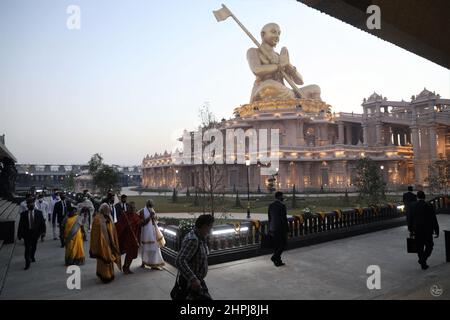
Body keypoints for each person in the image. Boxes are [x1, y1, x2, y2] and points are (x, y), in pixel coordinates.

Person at [247, 23, 321, 102]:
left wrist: (288, 65)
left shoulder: (279, 56)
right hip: (268, 90)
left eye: (279, 33)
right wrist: (278, 66)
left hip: (285, 92)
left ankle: (294, 99)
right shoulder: (254, 51)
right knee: (269, 85)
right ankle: (295, 100)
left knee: (315, 89)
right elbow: (256, 70)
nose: (277, 36)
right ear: (263, 34)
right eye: (273, 32)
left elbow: (300, 81)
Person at [174, 214, 214, 300]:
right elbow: (180, 260)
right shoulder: (193, 240)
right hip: (191, 284)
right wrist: (193, 279)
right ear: (204, 226)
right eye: (210, 227)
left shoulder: (200, 237)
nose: (210, 230)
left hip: (197, 282)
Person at [89, 203, 121, 283]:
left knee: (110, 259)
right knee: (104, 259)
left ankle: (110, 274)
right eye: (106, 210)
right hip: (102, 243)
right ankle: (104, 276)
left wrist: (113, 241)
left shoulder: (109, 217)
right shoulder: (97, 219)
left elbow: (112, 229)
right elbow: (95, 233)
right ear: (102, 210)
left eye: (108, 210)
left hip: (110, 242)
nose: (108, 211)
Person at [410, 191, 440, 270]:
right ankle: (423, 260)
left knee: (419, 247)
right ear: (424, 197)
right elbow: (434, 219)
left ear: (417, 197)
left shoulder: (412, 205)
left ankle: (423, 263)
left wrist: (411, 230)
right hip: (427, 230)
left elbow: (410, 218)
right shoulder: (429, 205)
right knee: (429, 246)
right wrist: (437, 230)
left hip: (417, 230)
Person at [17, 197, 46, 270]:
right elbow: (20, 225)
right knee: (27, 248)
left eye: (32, 203)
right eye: (29, 203)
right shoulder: (23, 214)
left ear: (34, 204)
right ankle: (27, 262)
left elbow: (42, 223)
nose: (31, 204)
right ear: (27, 205)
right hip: (27, 233)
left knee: (34, 246)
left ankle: (32, 256)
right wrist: (19, 234)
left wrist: (43, 232)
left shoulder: (39, 213)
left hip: (36, 233)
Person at [116, 202, 141, 274]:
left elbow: (139, 222)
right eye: (131, 208)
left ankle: (127, 267)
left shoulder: (135, 215)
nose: (133, 209)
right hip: (127, 238)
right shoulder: (125, 216)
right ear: (128, 208)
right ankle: (126, 267)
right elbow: (119, 226)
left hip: (135, 238)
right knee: (129, 253)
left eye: (133, 208)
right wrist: (127, 225)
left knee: (133, 253)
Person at [138, 200, 165, 269]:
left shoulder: (152, 210)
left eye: (151, 206)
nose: (151, 207)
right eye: (150, 206)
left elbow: (155, 220)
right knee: (145, 248)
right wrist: (150, 216)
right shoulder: (142, 211)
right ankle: (144, 262)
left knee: (155, 248)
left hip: (153, 231)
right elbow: (141, 223)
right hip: (145, 233)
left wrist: (154, 217)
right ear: (147, 205)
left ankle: (154, 264)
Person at [268, 191, 289, 267]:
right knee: (283, 244)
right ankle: (274, 257)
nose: (283, 197)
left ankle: (278, 261)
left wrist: (270, 228)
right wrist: (287, 230)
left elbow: (269, 217)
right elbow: (284, 219)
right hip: (280, 229)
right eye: (282, 196)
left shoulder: (271, 205)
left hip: (273, 228)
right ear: (280, 197)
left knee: (276, 245)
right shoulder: (282, 205)